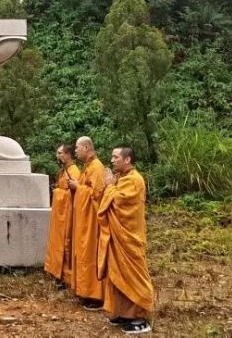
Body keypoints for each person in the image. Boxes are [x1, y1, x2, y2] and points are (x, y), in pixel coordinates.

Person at [97, 147, 154, 335]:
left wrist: (111, 186)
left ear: (127, 159)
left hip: (131, 238)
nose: (112, 160)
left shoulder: (134, 180)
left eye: (116, 157)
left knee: (133, 275)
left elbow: (120, 203)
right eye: (112, 157)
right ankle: (123, 312)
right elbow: (107, 199)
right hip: (119, 237)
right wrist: (110, 186)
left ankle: (139, 315)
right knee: (118, 274)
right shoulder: (122, 179)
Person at [69, 136, 106, 310]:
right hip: (84, 220)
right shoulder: (87, 167)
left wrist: (78, 187)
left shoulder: (97, 167)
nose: (75, 151)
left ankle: (96, 295)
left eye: (77, 147)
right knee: (83, 254)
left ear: (86, 147)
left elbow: (97, 194)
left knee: (91, 254)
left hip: (92, 220)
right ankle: (85, 291)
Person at [45, 143, 81, 287]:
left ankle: (66, 276)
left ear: (68, 154)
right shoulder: (64, 170)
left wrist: (57, 192)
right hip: (60, 215)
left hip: (67, 215)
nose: (58, 156)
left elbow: (75, 194)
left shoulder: (74, 171)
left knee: (66, 244)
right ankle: (57, 273)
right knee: (57, 242)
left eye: (60, 153)